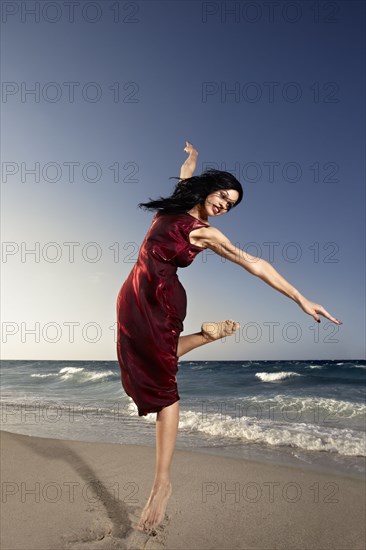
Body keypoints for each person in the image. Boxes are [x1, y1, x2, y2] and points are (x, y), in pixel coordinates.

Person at [116, 141, 342, 534]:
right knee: (144, 358)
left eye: (231, 203)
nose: (224, 205)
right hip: (132, 293)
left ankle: (162, 482)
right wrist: (192, 159)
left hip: (162, 301)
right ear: (207, 189)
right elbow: (188, 177)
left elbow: (255, 263)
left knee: (165, 386)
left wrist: (301, 299)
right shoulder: (179, 202)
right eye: (222, 195)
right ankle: (207, 335)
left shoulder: (207, 234)